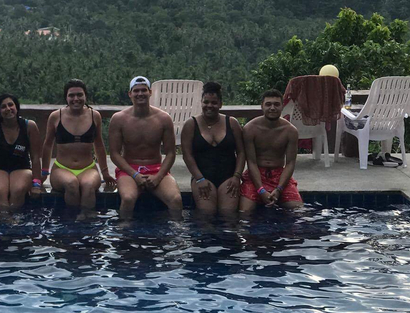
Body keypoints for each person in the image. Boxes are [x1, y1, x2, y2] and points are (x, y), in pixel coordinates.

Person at [108, 75, 183, 220]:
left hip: (155, 168)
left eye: (144, 90)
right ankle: (124, 234)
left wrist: (159, 176)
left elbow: (170, 153)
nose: (140, 94)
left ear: (150, 92)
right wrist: (135, 175)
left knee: (175, 199)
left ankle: (176, 235)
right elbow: (115, 154)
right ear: (130, 94)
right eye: (136, 91)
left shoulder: (163, 119)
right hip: (129, 170)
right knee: (128, 198)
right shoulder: (119, 119)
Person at [41, 79, 114, 211]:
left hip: (88, 168)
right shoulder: (56, 116)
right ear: (66, 98)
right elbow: (47, 145)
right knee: (71, 184)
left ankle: (85, 221)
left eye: (80, 95)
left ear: (85, 96)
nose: (76, 99)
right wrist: (44, 172)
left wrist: (105, 173)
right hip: (62, 168)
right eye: (71, 95)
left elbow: (99, 145)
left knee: (89, 186)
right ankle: (72, 222)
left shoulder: (94, 115)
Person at [180, 81, 245, 216]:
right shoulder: (191, 124)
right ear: (201, 102)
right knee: (206, 215)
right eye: (206, 102)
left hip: (228, 176)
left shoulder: (232, 123)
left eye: (214, 103)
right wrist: (199, 179)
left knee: (228, 215)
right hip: (202, 176)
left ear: (220, 104)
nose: (209, 106)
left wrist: (236, 177)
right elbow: (187, 155)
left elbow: (241, 152)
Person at [240, 89, 304, 213]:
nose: (272, 108)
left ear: (282, 106)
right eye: (268, 104)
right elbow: (251, 162)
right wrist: (261, 190)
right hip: (256, 175)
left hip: (279, 176)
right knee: (244, 212)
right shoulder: (250, 129)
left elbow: (290, 163)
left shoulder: (290, 131)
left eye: (276, 104)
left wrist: (279, 189)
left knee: (298, 211)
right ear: (262, 106)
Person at [0, 93, 43, 211]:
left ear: (16, 107)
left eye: (10, 105)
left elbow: (35, 157)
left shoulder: (29, 126)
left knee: (18, 190)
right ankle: (6, 221)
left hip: (22, 168)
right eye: (3, 107)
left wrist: (36, 184)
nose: (8, 109)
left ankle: (13, 221)